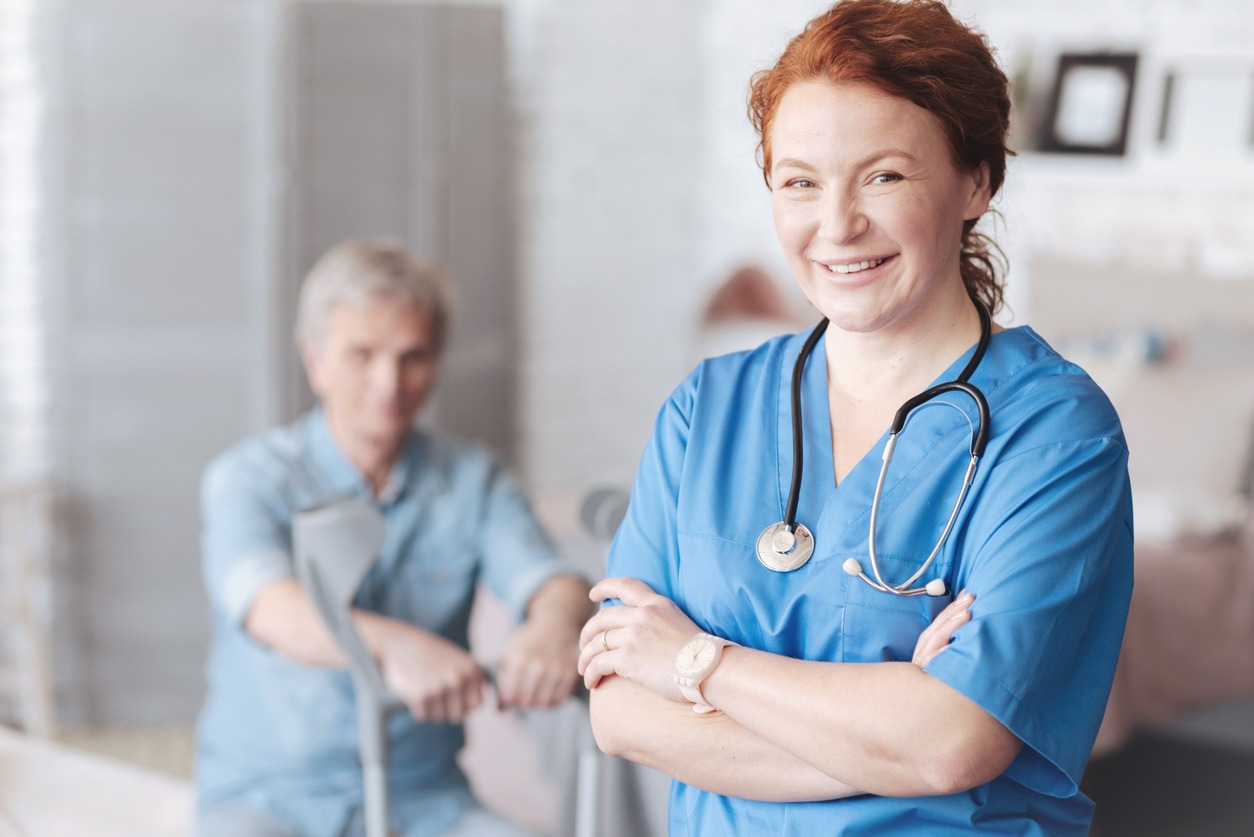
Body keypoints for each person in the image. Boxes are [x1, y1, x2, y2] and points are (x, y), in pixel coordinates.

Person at [576, 1, 1134, 834]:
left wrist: (695, 661)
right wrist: (892, 734)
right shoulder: (708, 408)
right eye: (799, 181)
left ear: (975, 180)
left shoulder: (1055, 432)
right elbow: (620, 711)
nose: (837, 225)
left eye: (884, 175)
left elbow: (949, 741)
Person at [195, 239, 593, 837]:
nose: (389, 383)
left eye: (413, 357)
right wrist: (396, 646)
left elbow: (548, 578)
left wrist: (551, 627)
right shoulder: (249, 478)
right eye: (362, 355)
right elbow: (270, 608)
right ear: (316, 361)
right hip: (268, 798)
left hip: (426, 797)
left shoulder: (473, 479)